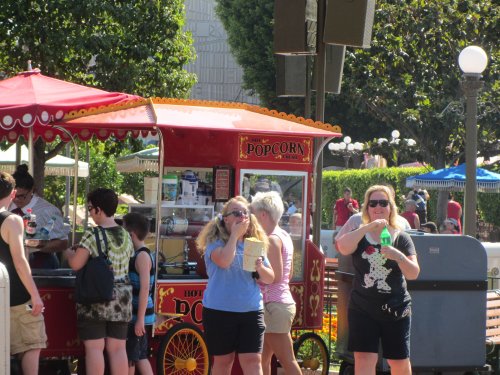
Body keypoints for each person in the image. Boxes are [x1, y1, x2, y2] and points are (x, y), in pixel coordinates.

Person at [336, 185, 420, 375]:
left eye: (383, 203)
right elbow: (342, 247)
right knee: (364, 358)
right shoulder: (360, 234)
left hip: (396, 308)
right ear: (366, 208)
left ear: (391, 207)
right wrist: (366, 226)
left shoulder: (402, 238)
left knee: (398, 360)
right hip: (362, 308)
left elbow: (414, 273)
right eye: (373, 203)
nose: (378, 207)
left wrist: (398, 256)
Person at [195, 196, 274, 375]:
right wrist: (234, 237)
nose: (242, 216)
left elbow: (270, 278)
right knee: (224, 361)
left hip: (251, 310)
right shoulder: (214, 243)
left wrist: (260, 266)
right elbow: (223, 261)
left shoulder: (253, 244)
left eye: (245, 213)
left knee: (253, 361)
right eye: (237, 213)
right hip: (220, 311)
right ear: (226, 219)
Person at [65, 188, 134, 375]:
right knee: (118, 348)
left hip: (97, 297)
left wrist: (69, 252)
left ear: (98, 209)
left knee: (95, 348)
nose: (89, 213)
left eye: (90, 208)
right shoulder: (126, 235)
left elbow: (76, 264)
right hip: (123, 298)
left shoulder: (92, 234)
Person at [249, 192, 301, 375]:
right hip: (279, 303)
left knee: (287, 361)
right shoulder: (283, 235)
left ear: (263, 214)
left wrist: (256, 271)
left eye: (253, 213)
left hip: (274, 305)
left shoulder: (271, 239)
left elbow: (275, 276)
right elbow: (289, 273)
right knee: (262, 360)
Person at [0, 172, 47, 375]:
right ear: (12, 194)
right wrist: (35, 296)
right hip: (17, 296)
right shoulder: (12, 221)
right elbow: (19, 262)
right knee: (32, 344)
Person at [10, 164, 69, 268]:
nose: (16, 200)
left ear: (32, 190)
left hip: (40, 264)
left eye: (21, 196)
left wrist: (35, 246)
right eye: (13, 195)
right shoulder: (8, 205)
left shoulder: (48, 210)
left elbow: (63, 242)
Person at [123, 212, 155, 375]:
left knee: (135, 357)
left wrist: (140, 320)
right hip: (137, 314)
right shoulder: (139, 253)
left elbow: (144, 289)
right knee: (137, 355)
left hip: (139, 315)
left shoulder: (142, 256)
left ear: (131, 234)